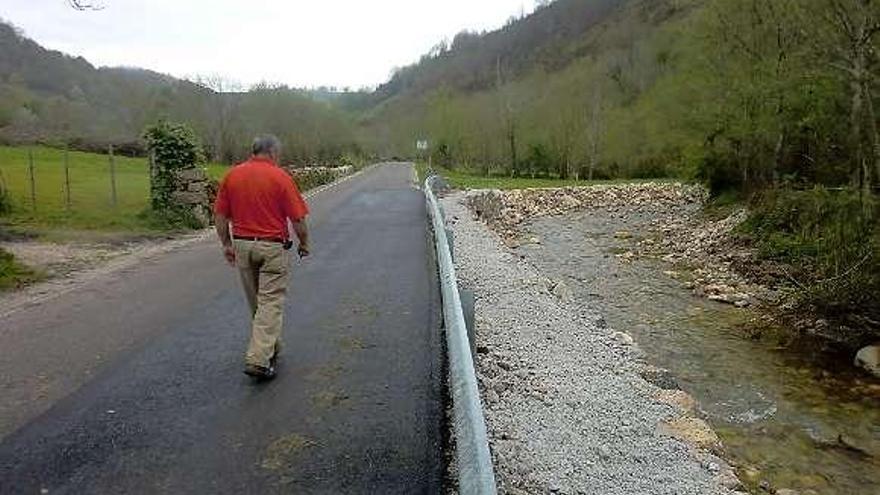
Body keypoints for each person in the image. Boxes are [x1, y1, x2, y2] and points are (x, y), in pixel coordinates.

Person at [213, 135, 310, 380]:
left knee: (256, 301)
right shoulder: (280, 177)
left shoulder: (232, 175)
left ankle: (270, 345)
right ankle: (258, 359)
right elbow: (298, 219)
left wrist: (226, 243)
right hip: (271, 247)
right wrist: (304, 242)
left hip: (243, 245)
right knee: (270, 302)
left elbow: (220, 215)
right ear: (273, 152)